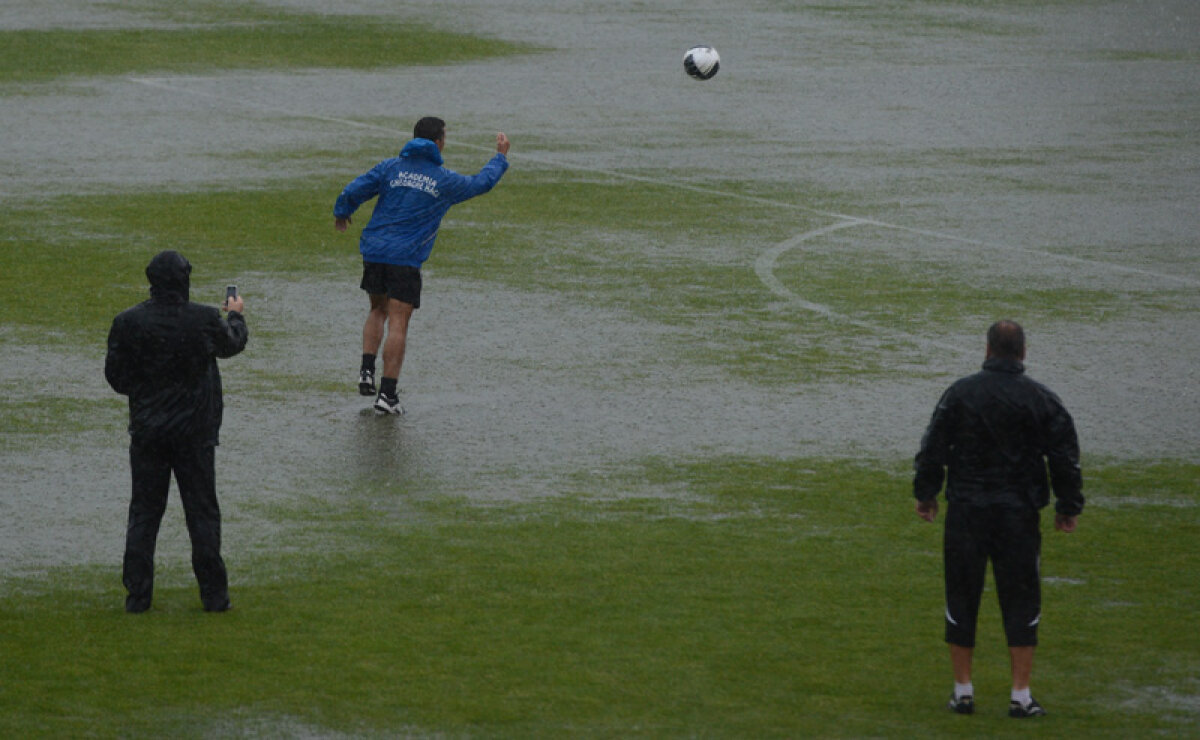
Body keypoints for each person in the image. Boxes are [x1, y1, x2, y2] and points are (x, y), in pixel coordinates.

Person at [913, 320, 1083, 718]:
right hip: (1018, 514)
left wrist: (926, 493)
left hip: (967, 511)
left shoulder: (960, 393)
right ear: (1023, 352)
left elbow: (933, 445)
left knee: (961, 595)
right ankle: (1020, 695)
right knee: (1022, 599)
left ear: (987, 350)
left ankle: (963, 691)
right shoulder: (1041, 398)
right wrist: (1068, 505)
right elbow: (1064, 455)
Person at [333, 116, 511, 415]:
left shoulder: (390, 167)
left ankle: (366, 370)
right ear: (439, 142)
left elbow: (355, 189)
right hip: (405, 258)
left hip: (374, 251)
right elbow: (481, 183)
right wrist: (500, 157)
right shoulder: (444, 179)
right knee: (399, 321)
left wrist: (342, 212)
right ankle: (387, 395)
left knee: (377, 309)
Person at [105, 250, 249, 613]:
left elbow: (116, 377)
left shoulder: (128, 322)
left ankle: (138, 596)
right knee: (201, 514)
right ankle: (214, 597)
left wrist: (145, 393)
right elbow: (232, 343)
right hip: (195, 435)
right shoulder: (202, 319)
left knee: (144, 513)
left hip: (149, 433)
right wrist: (235, 314)